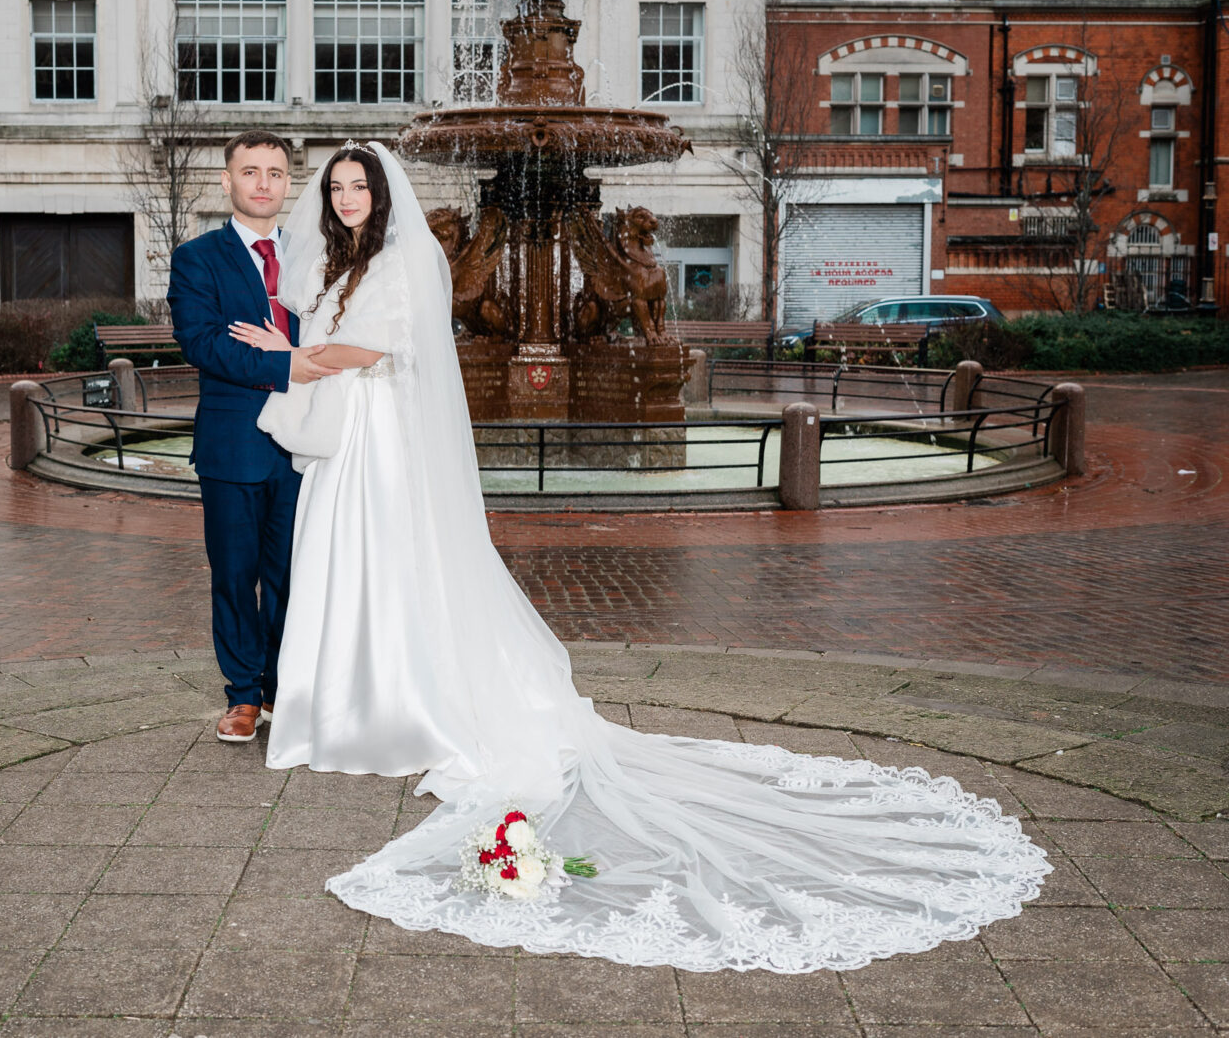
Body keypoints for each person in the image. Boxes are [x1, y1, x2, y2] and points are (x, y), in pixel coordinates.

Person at [227, 140, 1052, 973]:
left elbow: (374, 352)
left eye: (356, 186)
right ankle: (342, 702)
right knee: (344, 568)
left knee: (386, 567)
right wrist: (289, 338)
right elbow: (333, 334)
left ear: (380, 194)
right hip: (346, 444)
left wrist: (288, 357)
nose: (345, 198)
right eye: (336, 188)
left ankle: (395, 708)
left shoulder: (404, 263)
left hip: (381, 445)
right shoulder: (336, 265)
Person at [167, 129, 336, 744]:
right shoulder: (197, 259)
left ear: (288, 184)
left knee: (295, 574)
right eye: (250, 172)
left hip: (304, 445)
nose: (263, 183)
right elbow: (204, 345)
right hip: (233, 444)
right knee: (235, 574)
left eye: (274, 173)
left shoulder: (313, 255)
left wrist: (302, 358)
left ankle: (281, 690)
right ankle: (241, 697)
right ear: (227, 180)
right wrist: (287, 364)